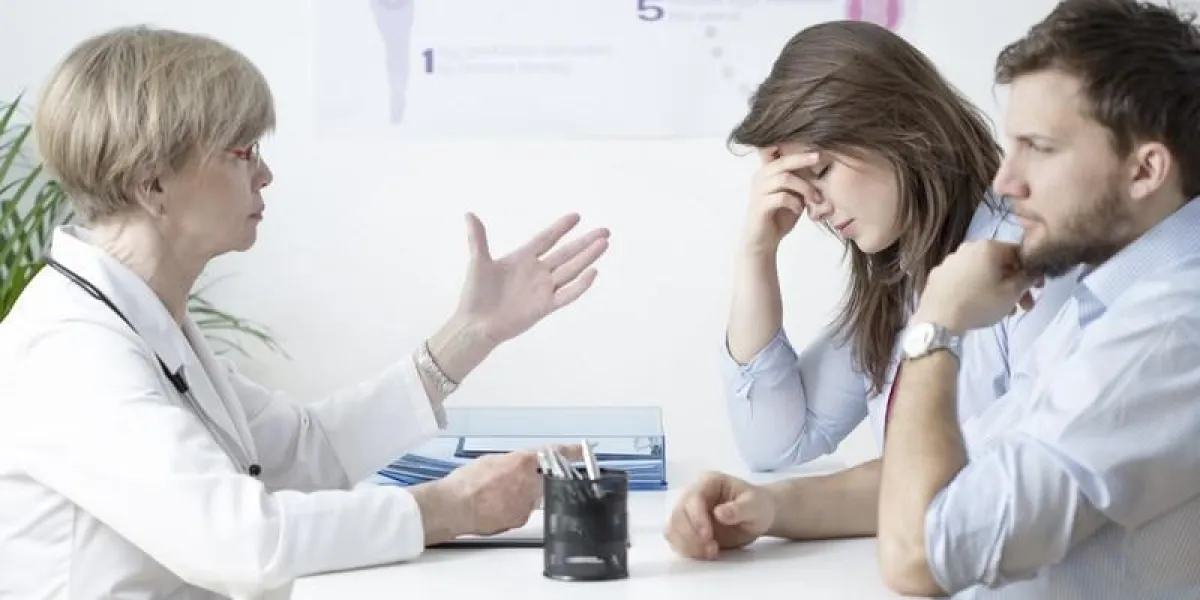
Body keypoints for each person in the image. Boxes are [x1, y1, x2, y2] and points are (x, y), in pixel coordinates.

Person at [0, 26, 609, 600]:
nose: (265, 174)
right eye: (242, 152)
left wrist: (471, 334)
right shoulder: (66, 348)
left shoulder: (144, 320)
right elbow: (240, 541)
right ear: (152, 183)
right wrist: (454, 507)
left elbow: (304, 450)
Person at [672, 1, 1200, 597]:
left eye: (1040, 147)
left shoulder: (1107, 299)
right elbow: (798, 446)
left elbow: (930, 539)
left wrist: (935, 327)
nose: (1008, 180)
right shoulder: (929, 271)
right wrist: (754, 253)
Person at [719, 19, 1076, 473]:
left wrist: (785, 508)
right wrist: (756, 254)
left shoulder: (1027, 255)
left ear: (899, 129)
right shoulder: (901, 278)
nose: (814, 208)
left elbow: (1017, 471)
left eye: (822, 172)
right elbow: (775, 444)